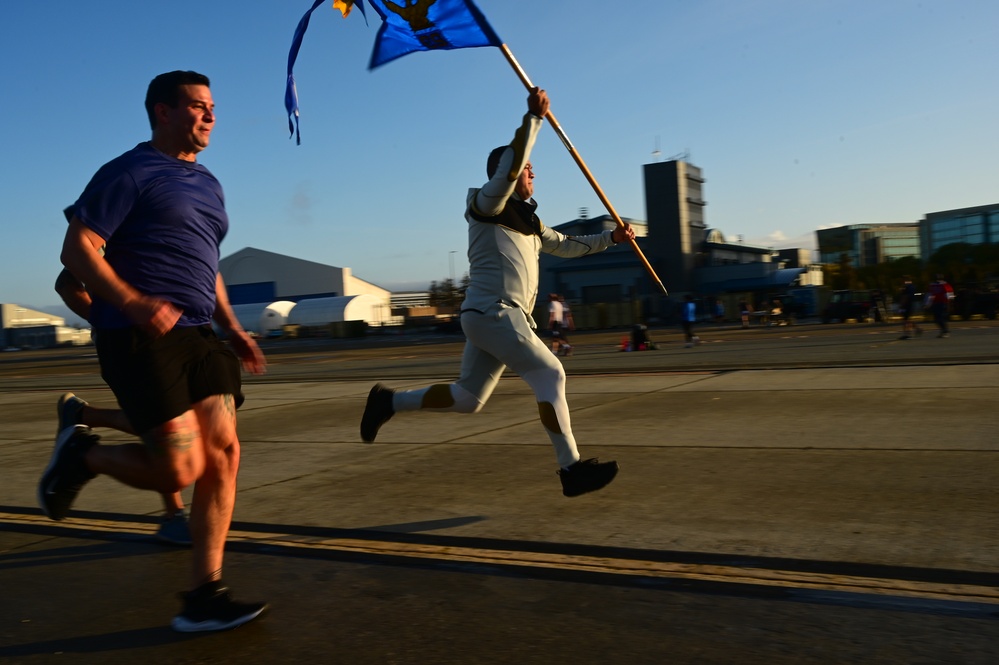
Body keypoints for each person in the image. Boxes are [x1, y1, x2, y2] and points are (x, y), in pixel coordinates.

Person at [40, 70, 267, 632]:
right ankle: (83, 455)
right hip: (138, 337)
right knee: (181, 465)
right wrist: (131, 302)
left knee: (225, 456)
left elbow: (206, 264)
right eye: (197, 106)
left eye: (213, 106)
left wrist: (232, 326)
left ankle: (203, 594)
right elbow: (77, 249)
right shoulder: (128, 172)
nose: (211, 115)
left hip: (199, 334)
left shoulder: (210, 184)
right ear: (162, 112)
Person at [360, 87, 632, 497]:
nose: (532, 173)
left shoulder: (531, 223)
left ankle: (387, 402)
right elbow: (507, 171)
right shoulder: (485, 206)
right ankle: (570, 468)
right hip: (495, 313)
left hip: (491, 318)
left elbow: (569, 245)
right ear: (507, 170)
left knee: (468, 398)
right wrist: (533, 120)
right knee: (551, 373)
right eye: (528, 168)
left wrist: (612, 238)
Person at [54, 208, 191, 546]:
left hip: (159, 343)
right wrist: (104, 318)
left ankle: (83, 415)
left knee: (166, 427)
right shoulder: (103, 253)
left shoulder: (138, 247)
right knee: (163, 429)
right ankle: (173, 515)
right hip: (128, 346)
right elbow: (65, 284)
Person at [926, 274, 954, 338]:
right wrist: (928, 303)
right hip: (936, 303)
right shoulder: (933, 285)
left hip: (943, 303)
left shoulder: (945, 285)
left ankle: (945, 331)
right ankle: (943, 330)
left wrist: (949, 305)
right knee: (936, 319)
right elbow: (931, 295)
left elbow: (949, 295)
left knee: (941, 318)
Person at [897, 275, 923, 340]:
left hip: (906, 305)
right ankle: (917, 329)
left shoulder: (906, 287)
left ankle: (907, 333)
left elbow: (905, 296)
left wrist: (901, 305)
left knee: (905, 320)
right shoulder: (912, 286)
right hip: (911, 304)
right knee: (907, 319)